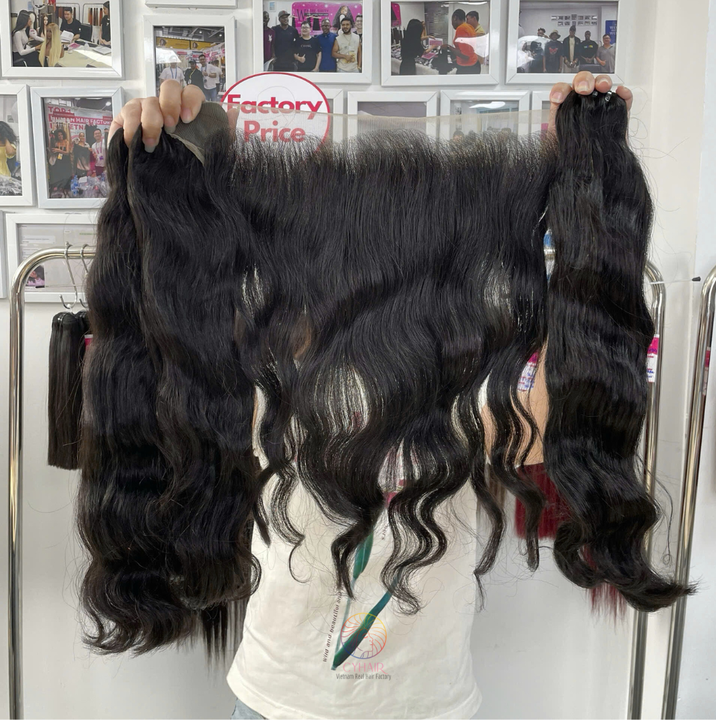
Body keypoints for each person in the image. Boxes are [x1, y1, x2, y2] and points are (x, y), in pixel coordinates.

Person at [110, 73, 634, 717]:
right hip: (278, 699)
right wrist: (178, 159)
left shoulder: (479, 385)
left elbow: (569, 409)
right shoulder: (265, 372)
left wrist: (587, 179)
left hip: (427, 703)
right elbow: (171, 331)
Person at [441, 9, 480, 75]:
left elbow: (465, 55)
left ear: (455, 18)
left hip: (468, 67)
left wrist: (448, 47)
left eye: (452, 21)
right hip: (474, 63)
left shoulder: (461, 29)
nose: (452, 24)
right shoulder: (469, 26)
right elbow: (468, 49)